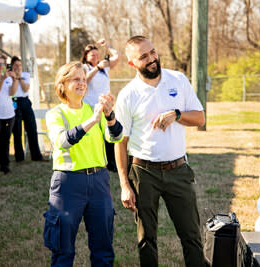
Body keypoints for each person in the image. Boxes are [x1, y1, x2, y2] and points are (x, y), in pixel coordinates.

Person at [115, 36, 206, 267]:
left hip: (178, 170)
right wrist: (125, 185)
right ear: (132, 64)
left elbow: (199, 118)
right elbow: (120, 143)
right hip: (144, 173)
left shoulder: (178, 79)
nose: (152, 59)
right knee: (146, 239)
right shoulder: (128, 94)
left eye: (153, 52)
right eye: (143, 56)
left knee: (191, 236)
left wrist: (176, 114)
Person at [43, 62, 123, 267]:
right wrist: (92, 120)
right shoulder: (55, 114)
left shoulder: (93, 109)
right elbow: (62, 142)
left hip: (99, 182)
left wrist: (109, 115)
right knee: (63, 248)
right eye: (75, 79)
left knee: (103, 249)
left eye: (83, 78)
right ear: (63, 85)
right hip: (69, 183)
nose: (82, 83)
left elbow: (116, 137)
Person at [81, 39, 120, 172]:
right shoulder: (85, 67)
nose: (96, 57)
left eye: (97, 55)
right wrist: (97, 68)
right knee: (93, 135)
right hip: (90, 106)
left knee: (109, 134)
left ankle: (111, 162)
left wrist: (107, 46)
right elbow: (84, 80)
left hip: (105, 105)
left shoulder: (104, 68)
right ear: (86, 56)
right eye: (92, 55)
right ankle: (93, 161)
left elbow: (117, 56)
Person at [10, 56, 45, 162]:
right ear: (12, 66)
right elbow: (11, 90)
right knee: (17, 131)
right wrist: (14, 77)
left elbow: (26, 88)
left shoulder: (25, 75)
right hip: (14, 102)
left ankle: (36, 156)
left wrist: (19, 77)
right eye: (16, 65)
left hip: (25, 101)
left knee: (32, 128)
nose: (18, 67)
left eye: (20, 65)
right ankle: (19, 157)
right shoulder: (8, 76)